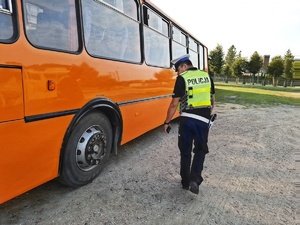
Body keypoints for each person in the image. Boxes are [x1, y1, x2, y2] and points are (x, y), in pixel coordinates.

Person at [163, 54, 215, 194]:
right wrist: (206, 115)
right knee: (200, 150)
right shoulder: (207, 77)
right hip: (203, 122)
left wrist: (167, 122)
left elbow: (174, 104)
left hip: (186, 120)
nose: (177, 73)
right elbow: (212, 100)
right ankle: (195, 179)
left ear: (184, 66)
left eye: (178, 69)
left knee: (185, 152)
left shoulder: (183, 78)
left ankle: (185, 182)